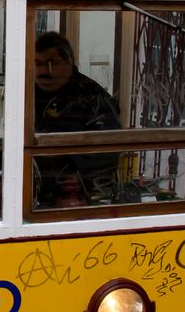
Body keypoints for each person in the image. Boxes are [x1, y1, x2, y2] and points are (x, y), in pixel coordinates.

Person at [33, 32, 121, 205]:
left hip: (79, 195)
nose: (43, 71)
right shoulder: (25, 92)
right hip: (31, 188)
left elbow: (111, 146)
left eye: (52, 64)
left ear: (69, 61)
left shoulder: (94, 98)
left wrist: (80, 174)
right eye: (37, 64)